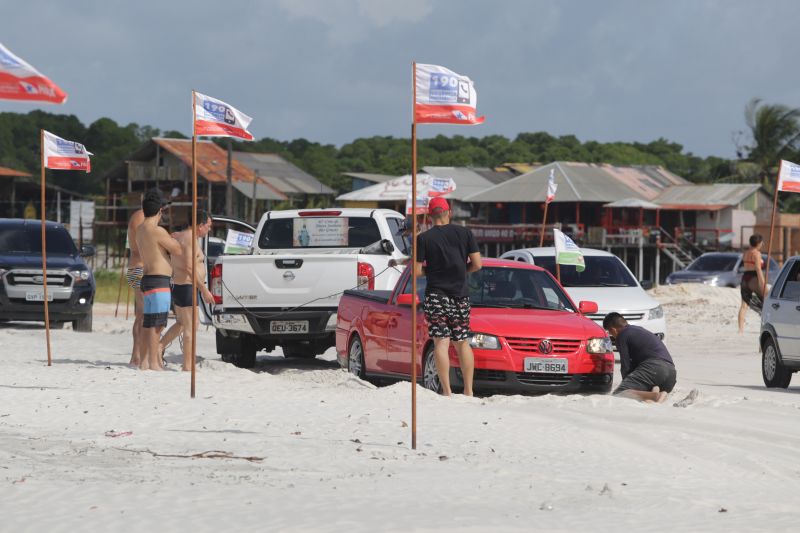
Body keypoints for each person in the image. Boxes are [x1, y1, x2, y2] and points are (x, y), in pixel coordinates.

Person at [415, 197, 482, 396]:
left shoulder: (424, 238)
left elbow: (417, 272)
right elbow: (478, 264)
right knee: (462, 342)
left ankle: (447, 391)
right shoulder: (465, 233)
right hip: (460, 295)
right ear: (449, 212)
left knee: (440, 342)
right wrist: (461, 270)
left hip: (436, 294)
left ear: (429, 216)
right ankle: (469, 390)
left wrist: (434, 272)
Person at [160, 210, 215, 371]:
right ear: (200, 225)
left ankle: (159, 346)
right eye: (208, 226)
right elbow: (189, 266)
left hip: (180, 286)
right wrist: (204, 289)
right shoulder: (190, 239)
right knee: (191, 326)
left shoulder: (181, 236)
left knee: (182, 324)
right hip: (187, 286)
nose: (209, 230)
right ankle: (188, 366)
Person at [135, 191, 181, 371]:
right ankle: (154, 362)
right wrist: (174, 238)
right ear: (160, 211)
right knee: (157, 324)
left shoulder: (140, 229)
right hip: (159, 281)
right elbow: (177, 250)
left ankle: (145, 362)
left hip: (146, 280)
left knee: (148, 324)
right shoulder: (157, 230)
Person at [603, 312, 676, 403]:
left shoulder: (622, 335)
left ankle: (654, 396)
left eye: (610, 332)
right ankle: (657, 392)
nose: (611, 335)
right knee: (642, 388)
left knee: (620, 393)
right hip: (671, 374)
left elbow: (626, 365)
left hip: (655, 368)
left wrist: (626, 384)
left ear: (613, 330)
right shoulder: (639, 330)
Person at [126, 202, 145, 367]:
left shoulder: (136, 216)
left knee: (140, 315)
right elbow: (141, 247)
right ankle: (138, 356)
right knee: (144, 316)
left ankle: (136, 355)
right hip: (140, 268)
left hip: (134, 268)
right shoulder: (142, 218)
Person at [738, 233, 766, 334]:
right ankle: (765, 327)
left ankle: (740, 330)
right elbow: (758, 269)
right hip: (754, 278)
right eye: (762, 242)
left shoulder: (746, 253)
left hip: (745, 277)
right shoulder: (756, 254)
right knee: (766, 301)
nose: (762, 244)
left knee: (744, 305)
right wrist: (762, 283)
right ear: (758, 243)